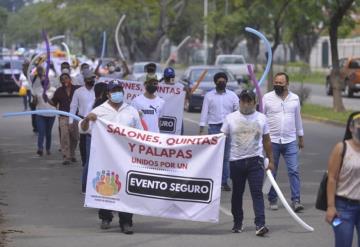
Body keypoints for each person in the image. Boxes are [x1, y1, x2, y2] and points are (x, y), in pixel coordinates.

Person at [79, 79, 143, 234]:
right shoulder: (99, 110)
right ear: (108, 94)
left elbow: (141, 133)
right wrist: (88, 118)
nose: (117, 93)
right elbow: (83, 129)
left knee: (126, 189)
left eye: (119, 90)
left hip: (126, 156)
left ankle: (126, 221)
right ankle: (105, 217)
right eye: (114, 91)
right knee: (106, 186)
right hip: (105, 156)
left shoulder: (131, 110)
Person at [221, 89, 274, 236]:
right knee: (237, 194)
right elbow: (221, 139)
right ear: (239, 102)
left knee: (257, 193)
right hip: (236, 161)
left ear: (254, 102)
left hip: (255, 161)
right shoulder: (230, 118)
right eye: (243, 100)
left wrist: (271, 160)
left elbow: (267, 140)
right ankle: (237, 223)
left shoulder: (262, 118)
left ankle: (260, 224)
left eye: (249, 100)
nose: (245, 103)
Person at [263, 72, 305, 212]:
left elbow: (298, 119)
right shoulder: (267, 98)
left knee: (294, 170)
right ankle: (272, 199)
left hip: (290, 140)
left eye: (281, 83)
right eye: (276, 82)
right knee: (272, 171)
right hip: (272, 141)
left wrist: (301, 137)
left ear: (287, 84)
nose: (278, 85)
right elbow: (261, 120)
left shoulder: (295, 99)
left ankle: (296, 200)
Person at [199, 72, 239, 191]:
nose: (221, 82)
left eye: (223, 81)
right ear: (215, 82)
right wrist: (201, 128)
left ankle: (224, 181)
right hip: (214, 128)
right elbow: (204, 111)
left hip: (228, 128)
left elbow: (238, 110)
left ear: (226, 82)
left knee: (226, 156)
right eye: (219, 81)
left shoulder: (232, 95)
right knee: (214, 155)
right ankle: (213, 180)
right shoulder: (209, 95)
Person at [326, 111, 360, 247]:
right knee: (343, 243)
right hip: (343, 208)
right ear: (351, 128)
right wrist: (330, 207)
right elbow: (332, 178)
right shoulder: (341, 148)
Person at [81, 82, 108, 193]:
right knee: (90, 162)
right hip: (92, 137)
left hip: (104, 138)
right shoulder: (93, 105)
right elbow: (84, 123)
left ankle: (97, 186)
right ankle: (85, 186)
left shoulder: (107, 106)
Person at [49, 73, 80, 165]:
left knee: (75, 136)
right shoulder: (59, 91)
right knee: (64, 136)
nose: (64, 80)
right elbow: (54, 103)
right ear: (60, 81)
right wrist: (47, 99)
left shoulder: (77, 89)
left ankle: (72, 153)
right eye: (62, 79)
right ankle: (66, 156)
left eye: (66, 78)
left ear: (70, 79)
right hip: (63, 117)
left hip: (75, 116)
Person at [69, 70, 96, 167]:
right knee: (83, 141)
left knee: (94, 141)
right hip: (82, 119)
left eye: (93, 78)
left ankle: (93, 161)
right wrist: (71, 121)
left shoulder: (97, 91)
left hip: (95, 120)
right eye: (90, 78)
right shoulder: (78, 91)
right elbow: (73, 106)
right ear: (85, 80)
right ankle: (85, 162)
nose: (92, 80)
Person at [32, 74, 56, 156]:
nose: (45, 85)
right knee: (41, 132)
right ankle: (40, 148)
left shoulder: (54, 90)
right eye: (43, 83)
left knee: (48, 133)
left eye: (46, 83)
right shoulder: (38, 91)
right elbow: (34, 103)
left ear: (49, 82)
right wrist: (34, 99)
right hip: (40, 114)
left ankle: (48, 148)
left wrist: (47, 98)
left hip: (51, 115)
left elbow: (55, 103)